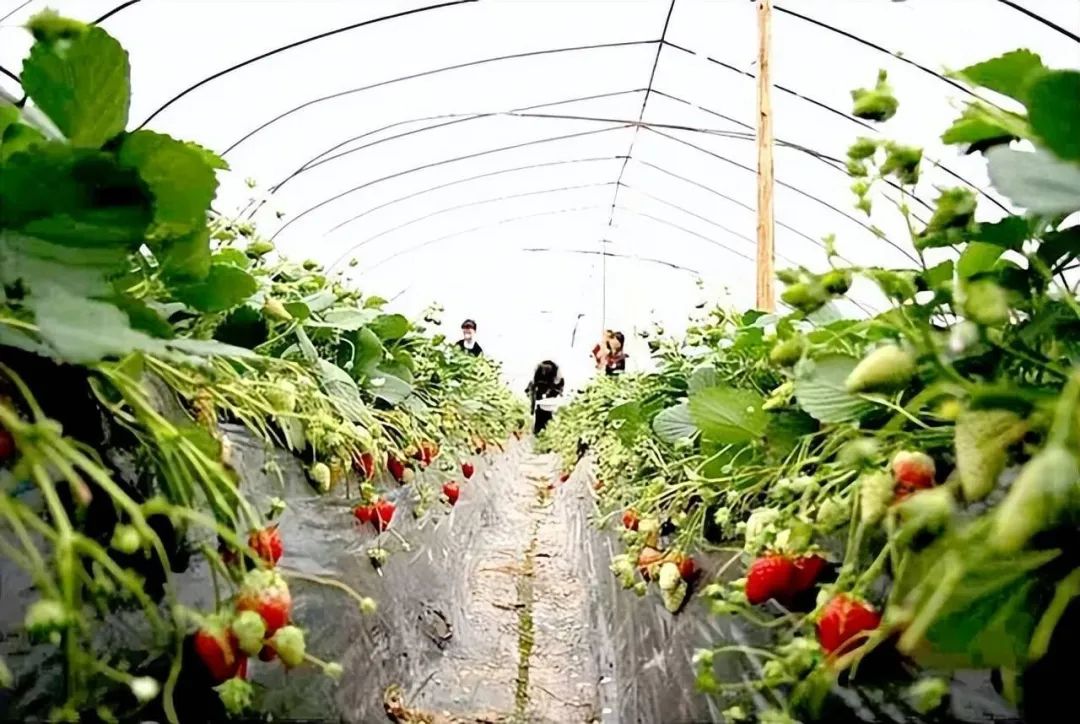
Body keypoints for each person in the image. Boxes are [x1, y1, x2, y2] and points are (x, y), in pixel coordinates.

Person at [525, 360, 564, 434]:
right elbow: (533, 388)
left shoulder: (556, 374)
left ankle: (544, 428)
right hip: (543, 395)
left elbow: (558, 385)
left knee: (547, 412)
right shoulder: (539, 374)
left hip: (550, 397)